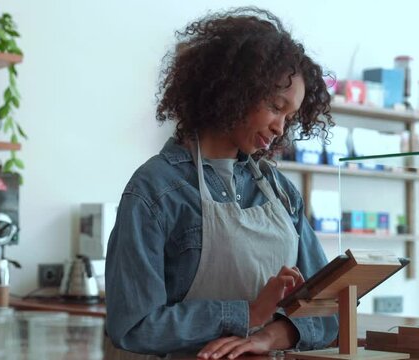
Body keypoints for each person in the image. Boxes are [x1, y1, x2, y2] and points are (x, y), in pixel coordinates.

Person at [104, 6, 339, 359]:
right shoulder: (156, 190)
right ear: (236, 90)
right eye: (276, 106)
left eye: (289, 117)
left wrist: (268, 335)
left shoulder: (280, 192)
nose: (280, 127)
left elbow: (327, 308)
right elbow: (134, 326)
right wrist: (247, 315)